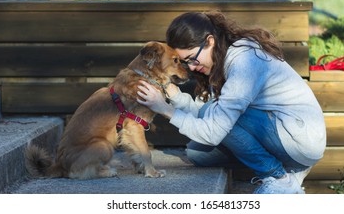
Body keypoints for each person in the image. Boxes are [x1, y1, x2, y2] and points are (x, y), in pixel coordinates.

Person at [137, 11, 326, 194]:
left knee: (213, 123)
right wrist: (175, 96)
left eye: (192, 58)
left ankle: (278, 178)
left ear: (210, 41)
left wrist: (165, 110)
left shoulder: (245, 61)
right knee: (198, 153)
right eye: (187, 63)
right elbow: (209, 116)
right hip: (282, 136)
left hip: (299, 137)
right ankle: (289, 170)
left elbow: (213, 126)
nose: (192, 67)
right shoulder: (220, 60)